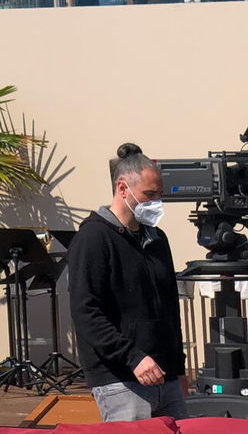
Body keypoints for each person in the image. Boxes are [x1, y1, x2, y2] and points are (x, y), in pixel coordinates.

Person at [66, 142, 187, 422]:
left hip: (165, 377)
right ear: (123, 188)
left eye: (159, 194)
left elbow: (170, 308)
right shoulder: (93, 238)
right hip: (120, 380)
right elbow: (86, 312)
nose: (156, 202)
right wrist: (132, 357)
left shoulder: (157, 239)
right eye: (149, 194)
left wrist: (178, 368)